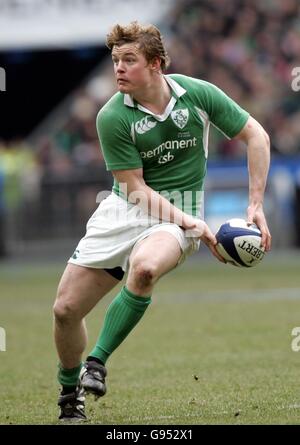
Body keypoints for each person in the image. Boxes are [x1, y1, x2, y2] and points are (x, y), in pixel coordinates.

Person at [53, 21, 272, 421]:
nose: (118, 68)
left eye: (129, 60)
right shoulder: (111, 116)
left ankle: (97, 363)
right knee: (66, 310)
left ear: (155, 64)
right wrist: (196, 224)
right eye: (115, 60)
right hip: (125, 209)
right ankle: (70, 392)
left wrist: (254, 202)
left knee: (147, 268)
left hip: (178, 210)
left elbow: (255, 135)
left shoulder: (198, 94)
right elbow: (135, 190)